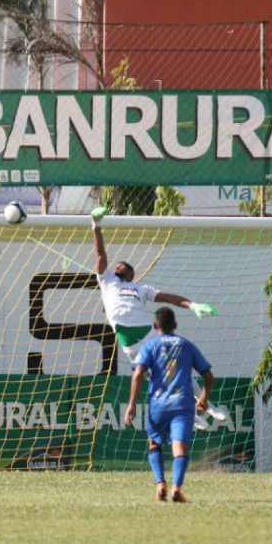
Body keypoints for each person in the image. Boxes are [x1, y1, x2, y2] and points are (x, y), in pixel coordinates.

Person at [91, 206, 224, 429]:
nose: (118, 265)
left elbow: (169, 298)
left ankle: (207, 404)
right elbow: (100, 254)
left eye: (123, 266)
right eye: (117, 265)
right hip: (130, 343)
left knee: (179, 369)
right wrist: (96, 225)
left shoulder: (139, 288)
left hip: (151, 334)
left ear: (132, 274)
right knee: (161, 381)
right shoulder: (106, 281)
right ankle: (189, 415)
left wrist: (193, 305)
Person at [124, 306, 214, 503]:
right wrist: (204, 398)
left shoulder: (149, 346)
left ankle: (160, 484)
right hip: (182, 404)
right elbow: (208, 375)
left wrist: (131, 404)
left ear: (155, 325)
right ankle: (177, 488)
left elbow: (138, 374)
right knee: (180, 447)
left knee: (154, 443)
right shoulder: (186, 345)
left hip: (158, 404)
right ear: (175, 325)